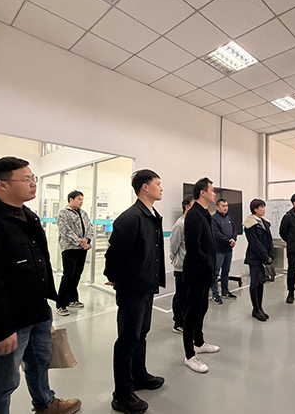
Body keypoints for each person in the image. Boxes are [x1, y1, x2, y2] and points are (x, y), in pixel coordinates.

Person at [0, 157, 81, 414]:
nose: (33, 183)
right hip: (10, 320)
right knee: (2, 383)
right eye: (26, 179)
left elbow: (39, 263)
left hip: (38, 312)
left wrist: (48, 304)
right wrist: (0, 330)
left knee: (40, 364)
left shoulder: (29, 217)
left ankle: (46, 404)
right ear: (1, 185)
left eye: (33, 178)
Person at [104, 169, 166, 414]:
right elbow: (114, 254)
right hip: (132, 288)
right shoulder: (131, 218)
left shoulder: (151, 215)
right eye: (158, 184)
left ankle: (138, 375)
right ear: (145, 187)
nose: (161, 188)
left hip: (146, 285)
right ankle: (121, 394)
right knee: (128, 339)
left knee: (141, 334)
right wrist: (115, 277)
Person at [182, 177, 220, 373]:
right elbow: (193, 247)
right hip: (196, 272)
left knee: (202, 308)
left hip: (206, 272)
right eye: (212, 190)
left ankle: (199, 342)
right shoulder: (194, 215)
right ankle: (189, 355)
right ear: (202, 192)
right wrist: (206, 262)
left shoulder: (205, 213)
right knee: (192, 313)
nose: (214, 193)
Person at [55, 190, 94, 316]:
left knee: (77, 274)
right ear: (71, 200)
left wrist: (87, 240)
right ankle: (61, 304)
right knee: (68, 275)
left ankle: (72, 299)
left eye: (82, 199)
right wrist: (79, 242)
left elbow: (90, 227)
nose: (81, 202)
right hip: (70, 248)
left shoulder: (83, 213)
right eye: (79, 199)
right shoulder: (63, 213)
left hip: (82, 249)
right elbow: (65, 230)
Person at [243, 199, 274, 322]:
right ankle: (255, 309)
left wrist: (270, 255)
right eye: (261, 207)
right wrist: (265, 256)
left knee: (261, 283)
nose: (264, 209)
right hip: (255, 258)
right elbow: (254, 243)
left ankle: (259, 308)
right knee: (254, 284)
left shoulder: (265, 223)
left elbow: (269, 240)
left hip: (264, 257)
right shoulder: (249, 224)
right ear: (255, 209)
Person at [169, 196, 194, 334]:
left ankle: (186, 320)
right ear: (187, 207)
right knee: (181, 295)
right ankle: (178, 323)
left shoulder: (191, 223)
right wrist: (173, 258)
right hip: (181, 267)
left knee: (189, 296)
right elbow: (174, 245)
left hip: (191, 266)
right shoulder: (180, 225)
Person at [211, 198, 238, 304]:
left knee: (226, 271)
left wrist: (233, 239)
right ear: (217, 207)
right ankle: (215, 294)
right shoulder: (213, 219)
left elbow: (234, 231)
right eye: (223, 206)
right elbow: (216, 234)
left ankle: (225, 291)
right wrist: (228, 241)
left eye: (226, 206)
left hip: (228, 250)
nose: (225, 208)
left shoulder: (228, 218)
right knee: (215, 272)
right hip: (218, 250)